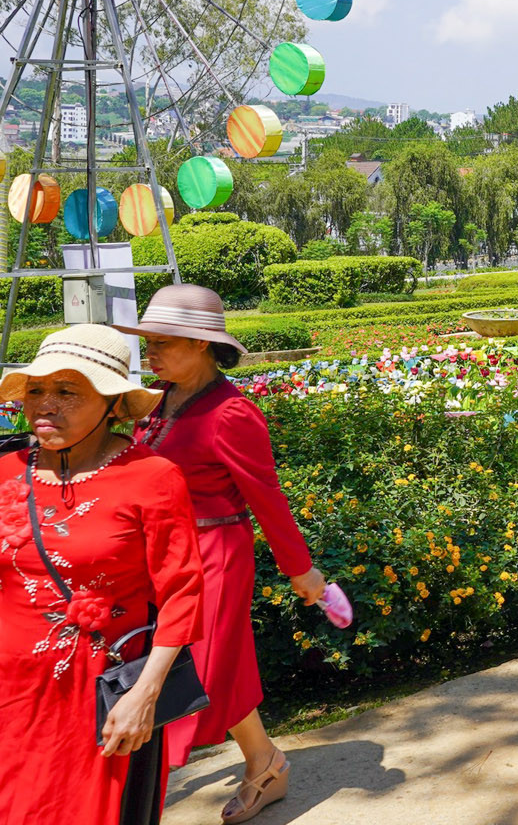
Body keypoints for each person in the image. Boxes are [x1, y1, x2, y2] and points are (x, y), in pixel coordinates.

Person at [115, 286, 327, 824]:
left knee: (190, 668)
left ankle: (133, 791)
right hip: (163, 554)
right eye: (149, 342)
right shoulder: (160, 400)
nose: (151, 353)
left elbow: (267, 499)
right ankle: (265, 761)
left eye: (163, 343)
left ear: (203, 345)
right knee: (211, 666)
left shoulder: (233, 414)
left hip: (216, 553)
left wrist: (301, 570)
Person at [0, 325, 204, 825]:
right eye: (36, 389)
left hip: (97, 698)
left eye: (67, 392)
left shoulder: (152, 477)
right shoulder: (5, 470)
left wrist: (145, 695)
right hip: (10, 693)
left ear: (113, 404)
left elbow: (182, 593)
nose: (45, 404)